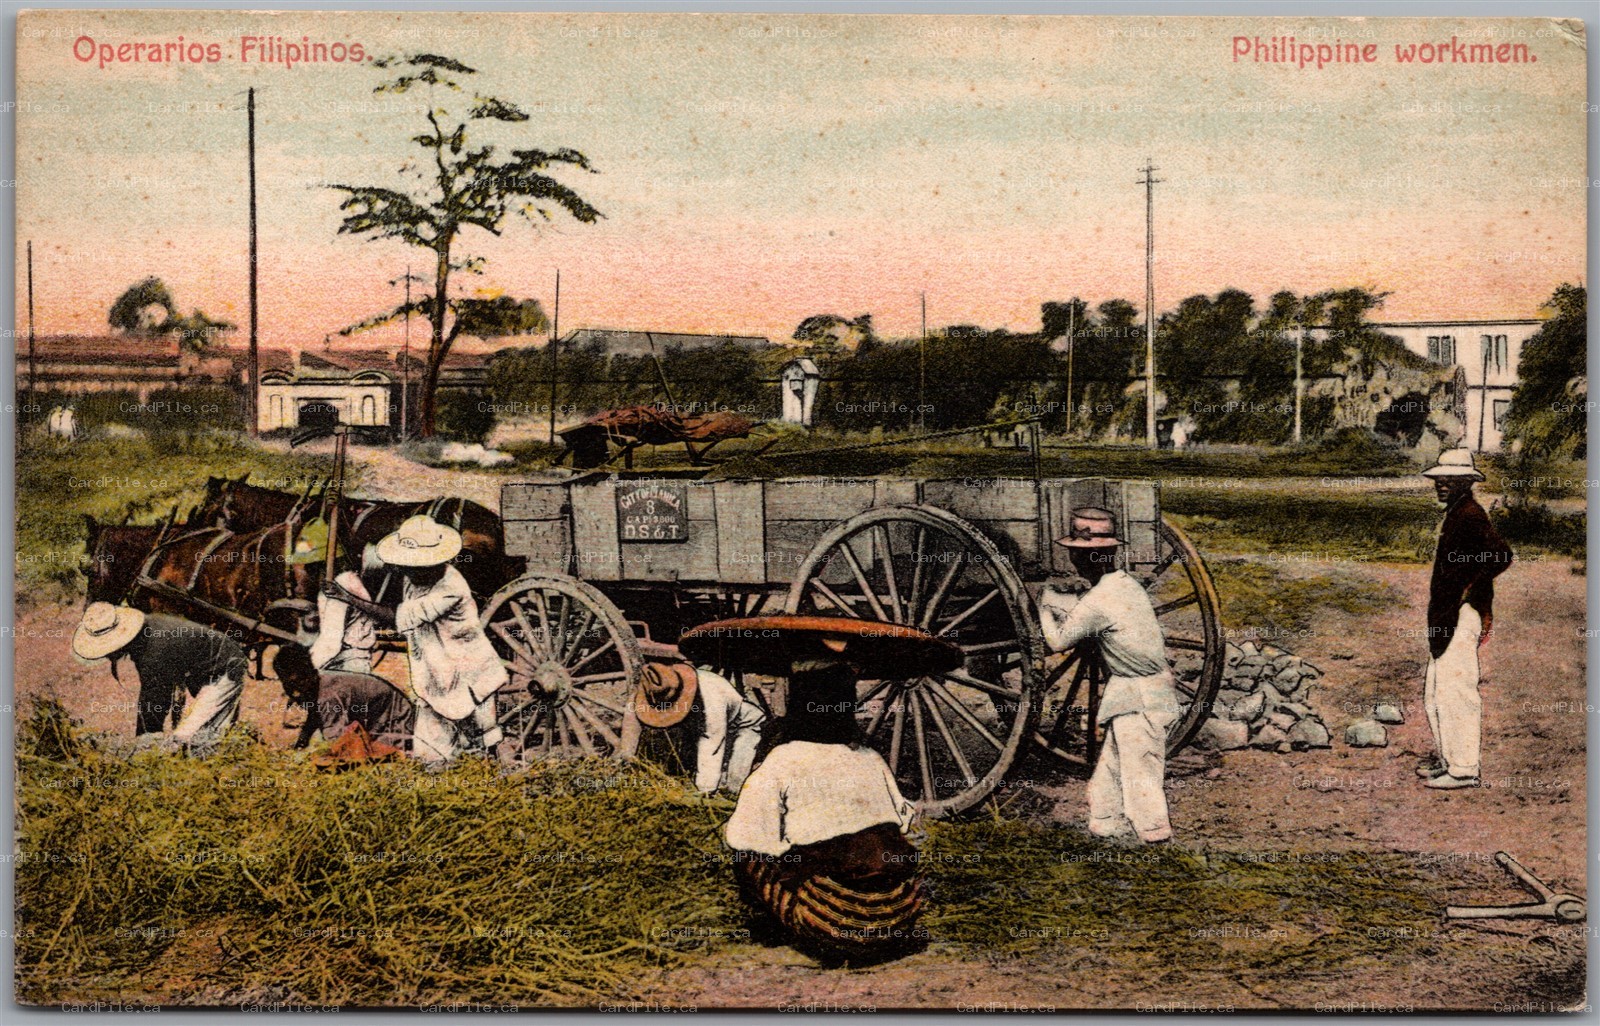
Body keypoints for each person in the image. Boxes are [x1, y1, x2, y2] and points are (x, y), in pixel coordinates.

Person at [680, 615, 963, 962]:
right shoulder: (871, 758)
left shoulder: (783, 761)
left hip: (829, 922)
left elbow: (746, 838)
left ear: (799, 703)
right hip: (898, 919)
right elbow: (907, 826)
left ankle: (775, 928)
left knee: (747, 854)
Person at [1038, 507, 1180, 844]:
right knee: (1113, 765)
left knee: (1139, 772)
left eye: (1075, 554)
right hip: (1152, 691)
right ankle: (1104, 821)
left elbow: (1057, 641)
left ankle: (1155, 836)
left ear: (1083, 559)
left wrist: (1045, 606)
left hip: (1139, 698)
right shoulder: (1126, 586)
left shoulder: (1098, 600)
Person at [326, 514, 508, 766]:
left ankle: (489, 777)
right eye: (405, 564)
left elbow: (397, 617)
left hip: (469, 677)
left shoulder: (450, 588)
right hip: (435, 679)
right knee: (429, 756)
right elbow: (377, 565)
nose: (408, 570)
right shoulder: (415, 579)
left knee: (484, 740)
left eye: (415, 566)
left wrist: (348, 598)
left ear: (434, 563)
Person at [1416, 448, 1513, 790]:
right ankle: (1448, 761)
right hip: (1449, 613)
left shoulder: (1470, 515)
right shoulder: (1459, 512)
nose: (1441, 484)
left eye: (1450, 478)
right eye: (1439, 478)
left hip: (1459, 614)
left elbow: (1501, 555)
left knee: (1457, 691)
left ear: (1466, 482)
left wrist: (1472, 591)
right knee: (1438, 692)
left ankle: (1464, 768)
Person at [72, 603, 247, 755]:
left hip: (225, 666)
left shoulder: (153, 651)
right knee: (194, 737)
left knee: (196, 741)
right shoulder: (145, 632)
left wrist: (144, 741)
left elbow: (155, 699)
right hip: (204, 666)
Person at [628, 640, 766, 794]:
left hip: (746, 723)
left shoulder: (711, 698)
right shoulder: (661, 682)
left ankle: (731, 796)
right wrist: (626, 754)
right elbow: (632, 716)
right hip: (720, 718)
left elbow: (712, 742)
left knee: (735, 779)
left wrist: (704, 791)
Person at [272, 642, 415, 751]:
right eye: (287, 685)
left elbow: (336, 742)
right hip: (380, 716)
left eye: (296, 684)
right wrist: (301, 744)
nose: (294, 692)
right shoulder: (317, 683)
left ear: (309, 675)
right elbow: (314, 716)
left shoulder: (329, 695)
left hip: (398, 721)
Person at [291, 521, 383, 674]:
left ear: (321, 565)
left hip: (346, 664)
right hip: (353, 658)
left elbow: (330, 644)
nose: (309, 573)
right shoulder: (349, 580)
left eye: (312, 567)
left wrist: (305, 670)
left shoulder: (336, 592)